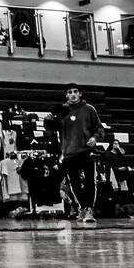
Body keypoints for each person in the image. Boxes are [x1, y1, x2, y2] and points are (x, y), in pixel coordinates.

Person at [46, 83, 106, 223]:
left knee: (90, 182)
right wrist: (48, 121)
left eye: (75, 91)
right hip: (69, 152)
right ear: (66, 95)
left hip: (86, 151)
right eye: (69, 92)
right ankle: (83, 207)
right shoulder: (62, 110)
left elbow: (99, 128)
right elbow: (51, 129)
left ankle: (90, 209)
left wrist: (94, 138)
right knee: (74, 183)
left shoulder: (89, 109)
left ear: (80, 94)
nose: (73, 94)